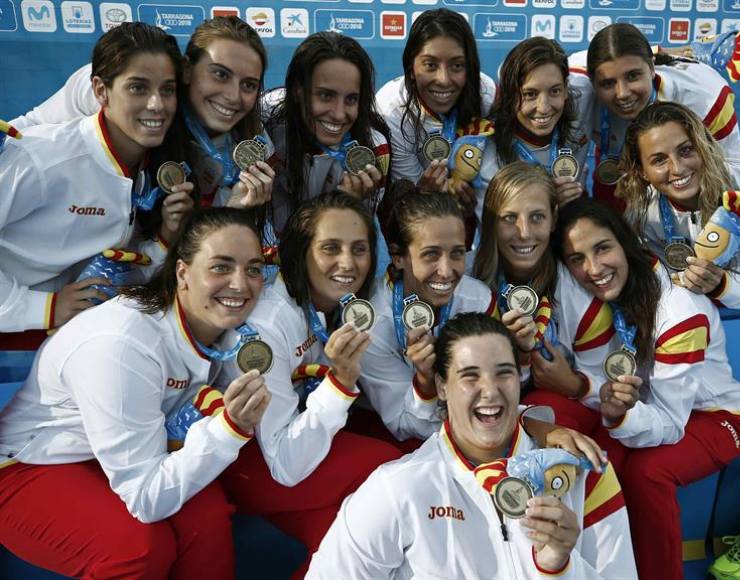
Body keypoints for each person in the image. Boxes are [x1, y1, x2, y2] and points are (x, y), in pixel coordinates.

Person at [0, 207, 270, 578]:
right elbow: (146, 498)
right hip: (32, 463)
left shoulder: (224, 327)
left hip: (121, 452)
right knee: (138, 549)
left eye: (253, 269)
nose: (241, 284)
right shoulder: (123, 343)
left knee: (206, 520)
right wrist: (231, 429)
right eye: (221, 267)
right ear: (182, 273)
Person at [617, 101, 740, 580]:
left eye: (686, 151)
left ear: (702, 143)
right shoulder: (644, 211)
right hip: (722, 280)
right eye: (659, 160)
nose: (677, 168)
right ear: (641, 170)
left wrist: (722, 286)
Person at [307, 312, 637, 579]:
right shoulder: (398, 488)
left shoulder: (581, 472)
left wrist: (558, 568)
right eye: (469, 376)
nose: (490, 391)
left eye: (503, 374)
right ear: (442, 386)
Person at [548, 197, 740, 579]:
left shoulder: (679, 313)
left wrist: (606, 404)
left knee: (648, 473)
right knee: (594, 462)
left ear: (626, 242)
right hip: (649, 408)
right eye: (577, 259)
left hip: (713, 419)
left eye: (602, 248)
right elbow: (612, 390)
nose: (593, 269)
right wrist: (595, 395)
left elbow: (669, 423)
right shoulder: (615, 292)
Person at [217, 192, 401, 579]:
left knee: (346, 535)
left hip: (299, 445)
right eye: (330, 248)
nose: (348, 263)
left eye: (359, 249)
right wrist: (340, 382)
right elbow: (285, 463)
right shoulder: (268, 323)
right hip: (249, 461)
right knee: (386, 466)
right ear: (301, 251)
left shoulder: (342, 304)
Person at [0, 22, 193, 347]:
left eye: (167, 89)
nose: (157, 104)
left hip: (60, 340)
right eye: (138, 88)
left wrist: (164, 241)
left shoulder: (148, 166)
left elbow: (110, 271)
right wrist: (44, 307)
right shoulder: (42, 158)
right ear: (101, 90)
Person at [9, 16, 275, 213]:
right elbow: (25, 132)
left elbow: (201, 249)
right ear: (186, 70)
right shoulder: (116, 90)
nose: (233, 95)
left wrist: (234, 211)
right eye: (220, 74)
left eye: (249, 85)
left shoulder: (252, 143)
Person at [358, 184, 498, 443]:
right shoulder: (373, 324)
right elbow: (403, 426)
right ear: (398, 257)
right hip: (399, 440)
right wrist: (424, 382)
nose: (446, 271)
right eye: (431, 254)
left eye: (456, 253)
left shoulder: (479, 300)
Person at [571, 23, 740, 210]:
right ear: (592, 82)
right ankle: (688, 50)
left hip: (677, 155)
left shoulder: (707, 101)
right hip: (616, 155)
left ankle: (696, 54)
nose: (622, 94)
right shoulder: (578, 89)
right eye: (607, 83)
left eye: (633, 76)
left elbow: (727, 177)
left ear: (652, 68)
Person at [474, 161, 590, 399]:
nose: (524, 233)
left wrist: (576, 386)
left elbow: (601, 382)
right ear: (490, 222)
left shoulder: (579, 286)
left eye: (537, 217)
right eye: (508, 218)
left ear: (554, 219)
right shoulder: (464, 280)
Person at [262, 31, 390, 233]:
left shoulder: (374, 149)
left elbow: (349, 250)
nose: (339, 115)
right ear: (297, 90)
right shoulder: (266, 121)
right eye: (325, 95)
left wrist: (348, 208)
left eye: (351, 99)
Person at [375, 8, 496, 191]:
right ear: (411, 67)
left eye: (457, 65)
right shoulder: (391, 111)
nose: (444, 80)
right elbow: (408, 193)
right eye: (430, 65)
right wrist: (424, 193)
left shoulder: (486, 95)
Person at [473, 37, 591, 222]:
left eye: (554, 91)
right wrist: (550, 205)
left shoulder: (584, 95)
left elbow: (611, 54)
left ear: (566, 89)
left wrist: (652, 53)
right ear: (510, 96)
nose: (543, 107)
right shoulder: (489, 158)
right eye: (530, 94)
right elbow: (501, 238)